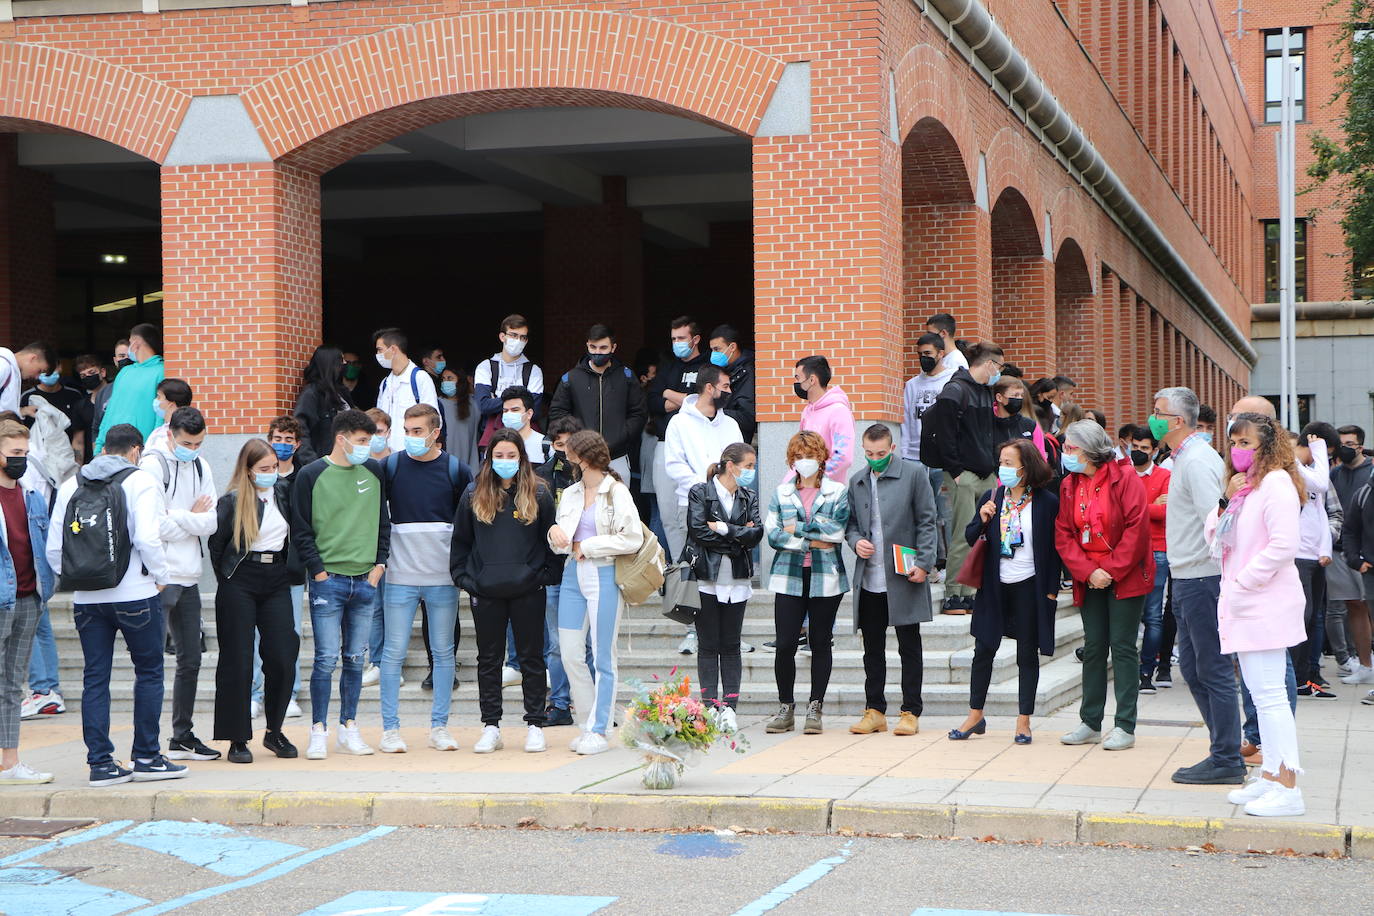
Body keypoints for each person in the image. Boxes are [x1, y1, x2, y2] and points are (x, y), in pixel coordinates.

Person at [46, 423, 187, 786]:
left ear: (102, 448)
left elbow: (53, 549)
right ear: (136, 450)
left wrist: (79, 577)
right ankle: (146, 757)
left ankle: (101, 765)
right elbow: (146, 536)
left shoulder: (71, 484)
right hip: (135, 594)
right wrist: (160, 576)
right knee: (150, 672)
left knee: (96, 677)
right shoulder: (140, 481)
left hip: (86, 599)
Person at [1206, 413, 1309, 816]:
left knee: (1270, 699)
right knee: (1260, 696)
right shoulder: (1247, 489)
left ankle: (1289, 787)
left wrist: (1244, 582)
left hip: (1263, 604)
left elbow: (1284, 546)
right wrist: (1225, 499)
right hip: (1243, 605)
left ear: (1268, 446)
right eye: (1234, 442)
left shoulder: (1278, 484)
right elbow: (1216, 541)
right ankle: (1269, 775)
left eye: (1246, 443)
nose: (1238, 450)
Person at [1151, 387, 1244, 785]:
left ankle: (1227, 757)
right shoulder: (1183, 459)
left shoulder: (1197, 461)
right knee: (1192, 667)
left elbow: (1219, 522)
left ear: (1176, 421)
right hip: (1186, 576)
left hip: (1204, 578)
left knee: (1213, 669)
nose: (1152, 418)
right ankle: (1222, 750)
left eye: (1158, 412)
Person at [291, 408, 390, 760]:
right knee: (326, 658)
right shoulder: (311, 475)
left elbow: (382, 522)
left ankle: (349, 726)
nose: (368, 447)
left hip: (366, 580)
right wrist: (317, 571)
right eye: (362, 441)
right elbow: (300, 529)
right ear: (341, 439)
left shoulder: (374, 471)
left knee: (354, 658)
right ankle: (318, 729)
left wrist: (380, 564)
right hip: (328, 581)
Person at [451, 428, 556, 754]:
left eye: (512, 455)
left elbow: (550, 540)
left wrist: (542, 577)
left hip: (528, 589)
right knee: (489, 660)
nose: (505, 461)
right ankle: (491, 725)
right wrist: (467, 580)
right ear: (489, 457)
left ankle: (535, 724)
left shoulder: (539, 493)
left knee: (531, 658)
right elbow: (461, 543)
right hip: (487, 590)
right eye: (499, 455)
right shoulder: (473, 493)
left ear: (522, 458)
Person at [951, 438, 1060, 744]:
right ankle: (975, 715)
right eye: (1001, 462)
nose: (1003, 468)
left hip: (1029, 586)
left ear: (1026, 468)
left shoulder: (1047, 501)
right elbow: (971, 537)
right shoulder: (993, 496)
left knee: (1027, 654)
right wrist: (983, 517)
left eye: (1009, 463)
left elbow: (1055, 550)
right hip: (994, 586)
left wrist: (1051, 591)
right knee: (983, 650)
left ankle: (1023, 720)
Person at [377, 404, 471, 753]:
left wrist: (463, 569)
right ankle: (390, 730)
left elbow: (470, 520)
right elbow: (373, 513)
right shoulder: (390, 466)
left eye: (418, 431)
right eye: (407, 430)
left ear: (435, 433)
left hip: (442, 579)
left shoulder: (455, 469)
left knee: (444, 653)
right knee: (393, 653)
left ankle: (440, 727)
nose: (411, 437)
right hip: (400, 576)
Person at [1054, 420, 1153, 751]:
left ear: (1090, 450)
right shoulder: (1070, 483)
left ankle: (1125, 725)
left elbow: (1137, 530)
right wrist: (1087, 571)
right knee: (1094, 645)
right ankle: (1090, 721)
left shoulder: (1125, 478)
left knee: (1122, 646)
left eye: (1071, 448)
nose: (1066, 453)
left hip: (1123, 573)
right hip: (1089, 575)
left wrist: (1108, 570)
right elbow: (1064, 533)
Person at [547, 430, 644, 754]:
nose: (566, 456)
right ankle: (586, 723)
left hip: (604, 573)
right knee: (571, 651)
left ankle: (600, 729)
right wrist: (555, 533)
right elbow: (560, 535)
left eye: (571, 451)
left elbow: (632, 538)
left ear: (585, 457)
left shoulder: (616, 491)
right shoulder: (573, 492)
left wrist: (587, 544)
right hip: (573, 573)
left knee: (603, 655)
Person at [207, 439, 300, 763]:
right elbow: (217, 548)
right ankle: (236, 738)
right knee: (238, 660)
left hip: (276, 578)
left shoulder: (285, 493)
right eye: (264, 469)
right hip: (240, 580)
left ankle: (274, 731)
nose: (271, 474)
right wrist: (228, 581)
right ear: (248, 471)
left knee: (283, 655)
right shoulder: (231, 502)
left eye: (274, 467)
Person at [138, 406, 220, 762]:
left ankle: (181, 735)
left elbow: (212, 522)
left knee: (191, 659)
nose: (193, 448)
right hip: (159, 577)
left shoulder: (201, 465)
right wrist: (192, 517)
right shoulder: (152, 465)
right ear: (170, 434)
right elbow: (153, 525)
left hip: (189, 575)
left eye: (199, 442)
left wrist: (180, 518)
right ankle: (148, 744)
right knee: (152, 663)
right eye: (187, 442)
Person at [845, 425, 937, 737]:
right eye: (869, 454)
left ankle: (911, 710)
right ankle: (875, 710)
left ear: (893, 448)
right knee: (872, 647)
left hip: (903, 574)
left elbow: (927, 520)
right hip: (869, 577)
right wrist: (856, 541)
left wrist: (925, 562)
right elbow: (852, 524)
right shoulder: (857, 480)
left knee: (909, 645)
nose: (875, 460)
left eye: (881, 454)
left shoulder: (914, 474)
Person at [764, 431, 850, 735]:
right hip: (789, 575)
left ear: (822, 458)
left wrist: (795, 530)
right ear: (791, 460)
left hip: (826, 576)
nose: (805, 462)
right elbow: (774, 535)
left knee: (820, 641)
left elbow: (836, 533)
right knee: (785, 643)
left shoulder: (837, 491)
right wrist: (811, 539)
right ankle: (785, 706)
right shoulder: (782, 493)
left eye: (810, 456)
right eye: (799, 457)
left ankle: (816, 705)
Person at [662, 364, 742, 654]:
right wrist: (706, 483)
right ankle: (695, 632)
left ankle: (730, 631)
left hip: (731, 508)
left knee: (729, 568)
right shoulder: (679, 424)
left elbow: (741, 463)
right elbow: (674, 465)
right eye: (726, 386)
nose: (730, 392)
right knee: (698, 572)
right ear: (710, 388)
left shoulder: (730, 425)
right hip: (694, 506)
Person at [921, 340, 1005, 613]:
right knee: (962, 534)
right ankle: (954, 594)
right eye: (999, 366)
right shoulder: (956, 390)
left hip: (985, 473)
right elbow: (945, 436)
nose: (999, 372)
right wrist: (956, 471)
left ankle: (970, 592)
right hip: (964, 475)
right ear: (990, 364)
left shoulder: (983, 391)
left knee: (983, 534)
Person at [685, 441, 762, 730]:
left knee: (731, 644)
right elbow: (699, 531)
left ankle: (729, 706)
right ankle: (710, 707)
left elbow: (756, 534)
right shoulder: (701, 492)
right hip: (706, 578)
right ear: (731, 465)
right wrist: (735, 541)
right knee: (707, 644)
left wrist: (728, 530)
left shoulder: (748, 495)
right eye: (749, 466)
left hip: (738, 579)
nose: (751, 472)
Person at [0, 420, 56, 784]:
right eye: (15, 454)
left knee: (12, 684)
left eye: (25, 453)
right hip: (2, 599)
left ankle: (10, 762)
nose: (21, 460)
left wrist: (45, 590)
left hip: (28, 598)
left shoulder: (31, 497)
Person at [252, 416, 306, 720]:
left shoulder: (305, 478)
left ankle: (289, 693)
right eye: (277, 438)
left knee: (290, 634)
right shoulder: (254, 478)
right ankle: (256, 693)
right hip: (257, 569)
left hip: (292, 569)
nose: (283, 445)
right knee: (256, 635)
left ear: (297, 444)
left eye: (289, 439)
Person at [549, 324, 648, 480]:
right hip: (581, 457)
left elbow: (639, 412)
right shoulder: (571, 378)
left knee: (619, 502)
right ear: (587, 345)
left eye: (603, 348)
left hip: (617, 456)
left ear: (613, 347)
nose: (597, 352)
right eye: (593, 347)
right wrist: (576, 438)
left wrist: (622, 435)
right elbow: (558, 413)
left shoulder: (627, 377)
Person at [647, 317, 709, 560]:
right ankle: (680, 567)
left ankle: (697, 565)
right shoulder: (668, 367)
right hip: (664, 446)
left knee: (696, 513)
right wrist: (685, 399)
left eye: (681, 338)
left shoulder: (707, 367)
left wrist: (668, 393)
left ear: (695, 339)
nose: (677, 343)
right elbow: (652, 401)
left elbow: (702, 402)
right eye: (673, 339)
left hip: (696, 447)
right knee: (668, 515)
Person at [535, 416, 584, 727]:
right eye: (559, 445)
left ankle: (591, 704)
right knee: (555, 643)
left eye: (571, 444)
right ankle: (560, 704)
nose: (565, 451)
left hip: (588, 565)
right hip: (553, 569)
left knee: (589, 644)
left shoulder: (595, 477)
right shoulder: (541, 477)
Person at [1126, 425, 1171, 694]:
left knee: (1153, 616)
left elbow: (1165, 513)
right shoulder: (1122, 473)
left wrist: (1135, 507)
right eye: (1135, 447)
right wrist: (1148, 506)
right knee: (1130, 615)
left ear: (1155, 451)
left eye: (1144, 448)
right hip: (1127, 551)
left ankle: (1146, 673)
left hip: (1157, 550)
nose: (1139, 452)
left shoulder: (1165, 475)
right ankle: (1129, 670)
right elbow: (1116, 512)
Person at [1292, 423, 1336, 696]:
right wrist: (1319, 447)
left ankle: (1305, 677)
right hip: (1296, 556)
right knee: (1301, 617)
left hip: (1313, 556)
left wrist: (1325, 549)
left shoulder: (1308, 471)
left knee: (1311, 620)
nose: (1325, 460)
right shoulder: (1290, 464)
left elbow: (1320, 513)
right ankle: (1294, 678)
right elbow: (1321, 482)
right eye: (1324, 452)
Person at [1333, 424, 1374, 685]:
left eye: (1349, 444)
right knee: (1354, 606)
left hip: (1367, 553)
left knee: (1369, 608)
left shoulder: (1370, 474)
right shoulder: (1334, 474)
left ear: (1360, 446)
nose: (1344, 449)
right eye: (1340, 444)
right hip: (1344, 552)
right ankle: (1365, 665)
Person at [474, 314, 544, 450]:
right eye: (513, 335)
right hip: (492, 435)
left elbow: (534, 410)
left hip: (527, 439)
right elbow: (484, 406)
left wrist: (498, 401)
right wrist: (521, 402)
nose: (518, 340)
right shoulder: (486, 367)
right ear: (502, 337)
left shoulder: (533, 371)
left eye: (522, 337)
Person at [93, 324, 163, 454]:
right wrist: (99, 446)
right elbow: (110, 412)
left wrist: (153, 450)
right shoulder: (124, 372)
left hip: (141, 451)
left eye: (130, 343)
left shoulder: (161, 371)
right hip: (112, 450)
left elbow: (161, 416)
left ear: (135, 344)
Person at [374, 327, 439, 453]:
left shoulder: (420, 378)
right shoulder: (385, 384)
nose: (378, 355)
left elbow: (435, 420)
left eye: (379, 350)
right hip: (386, 456)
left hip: (413, 455)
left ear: (393, 349)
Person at [794, 355, 855, 483]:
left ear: (812, 380)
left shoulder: (838, 411)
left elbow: (843, 457)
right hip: (805, 486)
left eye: (798, 378)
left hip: (828, 491)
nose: (797, 384)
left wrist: (817, 478)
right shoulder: (807, 411)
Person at [294, 345, 354, 465]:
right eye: (341, 360)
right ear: (331, 364)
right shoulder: (312, 394)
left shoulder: (342, 393)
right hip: (326, 463)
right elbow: (300, 430)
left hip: (347, 461)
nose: (345, 364)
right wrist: (313, 463)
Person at [901, 332, 954, 464]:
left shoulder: (953, 380)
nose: (923, 358)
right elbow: (906, 419)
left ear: (941, 354)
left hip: (942, 455)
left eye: (927, 353)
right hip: (914, 455)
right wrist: (904, 451)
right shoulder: (912, 385)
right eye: (920, 354)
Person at [20, 364, 88, 459]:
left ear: (60, 368)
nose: (48, 373)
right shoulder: (27, 397)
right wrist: (22, 412)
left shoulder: (74, 395)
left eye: (52, 369)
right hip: (37, 456)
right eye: (44, 370)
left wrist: (77, 463)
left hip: (67, 457)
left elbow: (79, 433)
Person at [707, 324, 756, 444]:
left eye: (717, 349)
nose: (713, 354)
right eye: (712, 350)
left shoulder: (747, 373)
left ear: (732, 347)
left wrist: (713, 411)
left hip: (738, 445)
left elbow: (747, 418)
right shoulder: (727, 370)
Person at [438, 367, 480, 469]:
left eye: (450, 378)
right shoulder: (438, 403)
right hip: (445, 462)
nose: (445, 382)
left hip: (469, 461)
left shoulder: (473, 403)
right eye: (443, 379)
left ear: (460, 381)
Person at [499, 385, 551, 465]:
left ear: (529, 413)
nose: (509, 414)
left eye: (515, 410)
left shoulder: (545, 445)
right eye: (505, 411)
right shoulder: (496, 445)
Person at [0, 342, 54, 419]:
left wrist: (21, 411)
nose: (37, 377)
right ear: (33, 359)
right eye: (39, 371)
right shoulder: (3, 365)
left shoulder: (11, 369)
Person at [145, 378, 192, 455]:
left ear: (170, 404)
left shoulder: (176, 434)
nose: (156, 400)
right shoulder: (161, 430)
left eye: (159, 397)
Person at [992, 376, 1037, 446]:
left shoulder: (1030, 425)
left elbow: (1039, 454)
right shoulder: (986, 424)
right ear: (999, 397)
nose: (1020, 399)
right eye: (1015, 395)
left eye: (1022, 395)